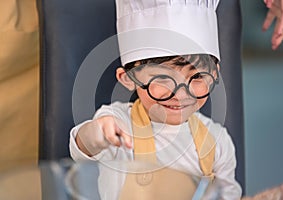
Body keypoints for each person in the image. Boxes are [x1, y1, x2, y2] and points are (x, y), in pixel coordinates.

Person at [70, 0, 242, 199]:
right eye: (162, 79)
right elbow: (85, 144)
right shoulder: (118, 123)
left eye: (197, 78)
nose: (180, 95)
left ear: (214, 73)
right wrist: (99, 133)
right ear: (128, 78)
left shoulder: (218, 141)